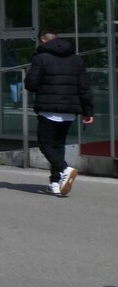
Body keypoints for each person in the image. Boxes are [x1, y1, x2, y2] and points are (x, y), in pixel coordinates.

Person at [24, 30, 93, 197]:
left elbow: (30, 84)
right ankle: (55, 182)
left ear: (42, 40)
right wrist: (88, 111)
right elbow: (83, 87)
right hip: (69, 110)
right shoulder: (76, 59)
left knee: (45, 144)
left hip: (48, 109)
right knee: (58, 145)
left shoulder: (41, 58)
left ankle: (65, 169)